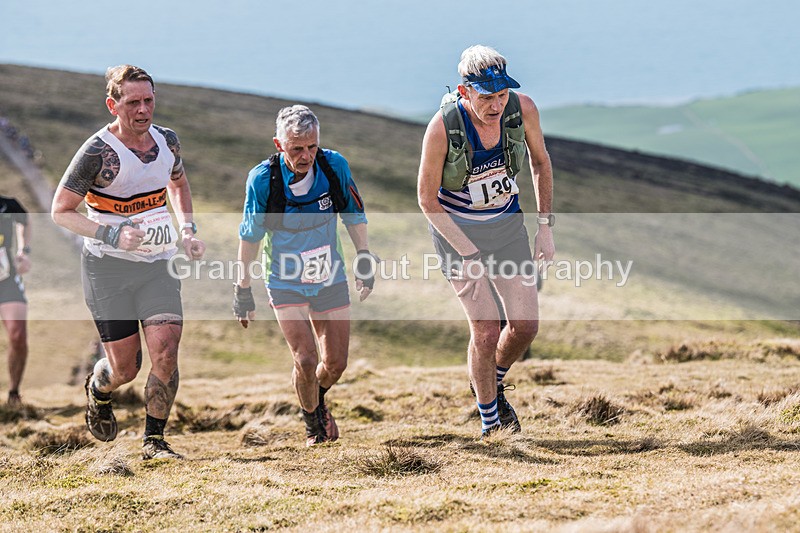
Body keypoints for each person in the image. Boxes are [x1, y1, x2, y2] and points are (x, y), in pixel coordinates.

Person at [51, 65, 205, 459]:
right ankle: (98, 391)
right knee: (124, 369)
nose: (142, 110)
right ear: (113, 105)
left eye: (148, 100)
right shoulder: (97, 152)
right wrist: (111, 233)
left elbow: (179, 183)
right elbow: (61, 211)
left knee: (166, 349)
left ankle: (154, 441)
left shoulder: (167, 141)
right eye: (133, 102)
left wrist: (187, 229)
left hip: (157, 262)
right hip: (108, 268)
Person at [417, 45, 555, 438]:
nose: (495, 106)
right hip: (457, 233)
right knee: (486, 329)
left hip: (507, 226)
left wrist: (545, 226)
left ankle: (490, 380)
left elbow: (540, 161)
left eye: (500, 95)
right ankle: (492, 423)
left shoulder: (522, 108)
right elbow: (427, 199)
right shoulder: (442, 127)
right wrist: (469, 253)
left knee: (525, 326)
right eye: (485, 97)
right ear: (464, 92)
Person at [234, 105, 375, 446]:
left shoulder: (333, 166)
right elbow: (250, 236)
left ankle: (314, 396)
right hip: (285, 281)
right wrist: (243, 290)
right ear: (279, 144)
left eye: (312, 147)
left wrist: (364, 257)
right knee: (307, 359)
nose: (306, 155)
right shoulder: (263, 180)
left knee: (336, 363)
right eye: (297, 148)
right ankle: (314, 424)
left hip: (329, 276)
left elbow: (353, 215)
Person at [0, 195, 31, 406]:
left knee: (18, 337)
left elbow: (25, 219)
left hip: (7, 278)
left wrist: (23, 250)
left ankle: (13, 393)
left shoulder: (7, 205)